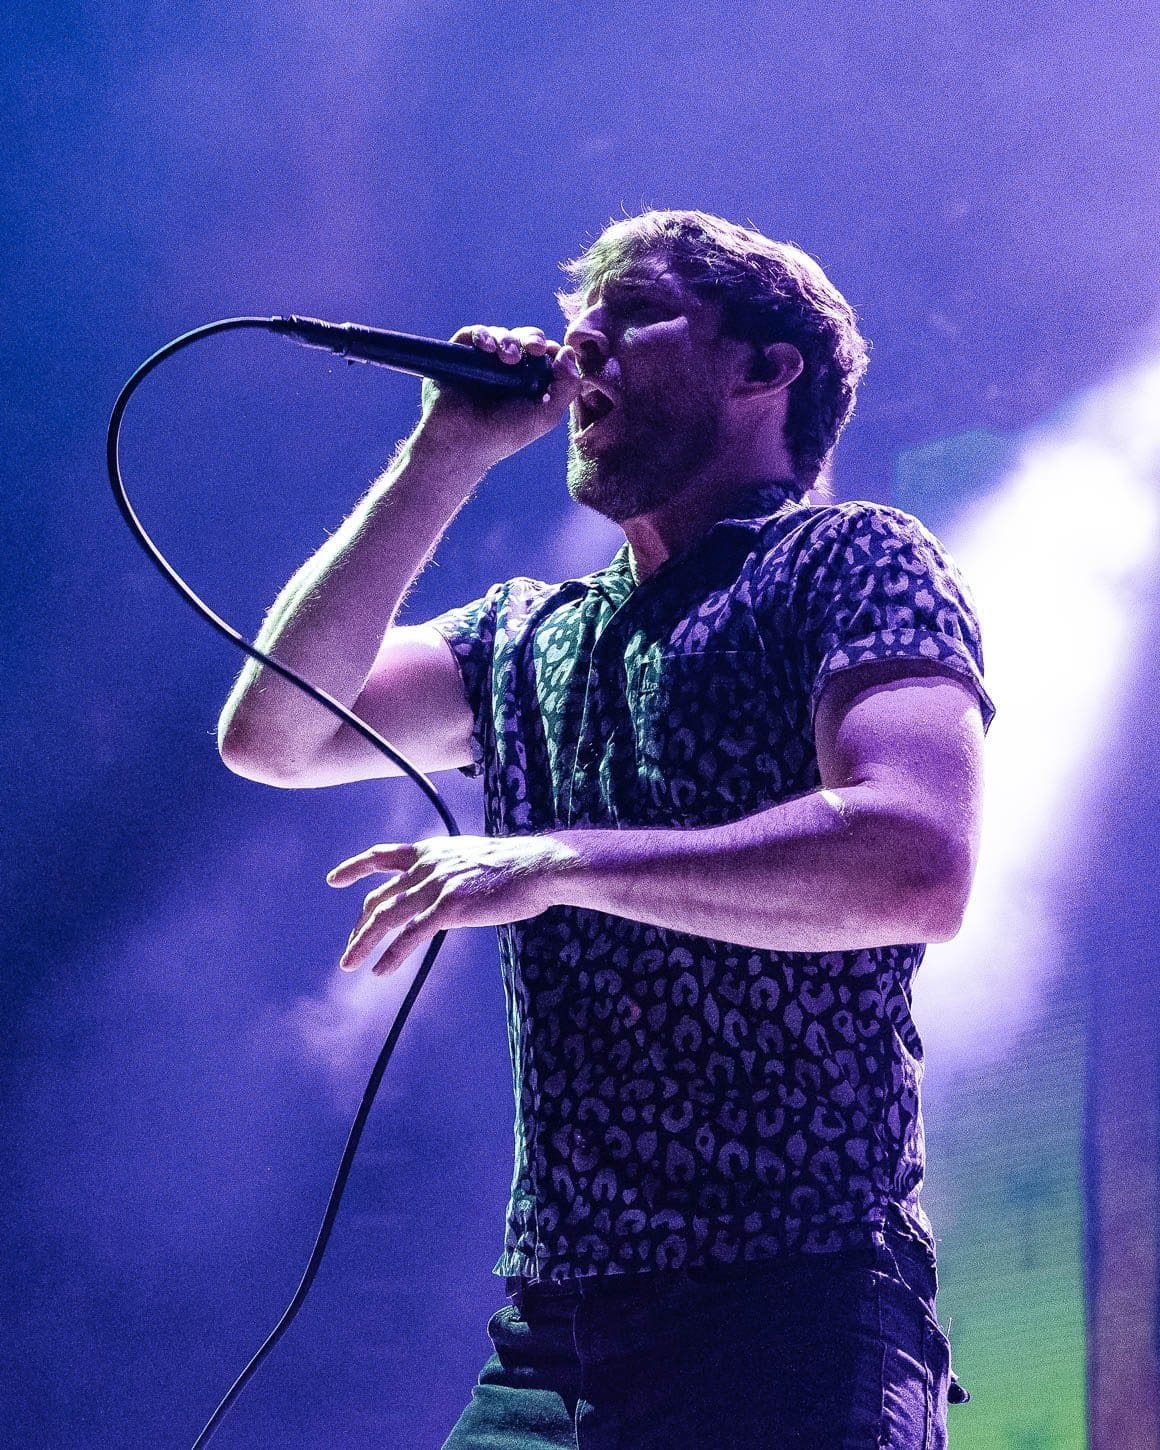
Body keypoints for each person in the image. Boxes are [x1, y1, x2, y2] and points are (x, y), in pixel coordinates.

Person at [218, 210, 993, 1448]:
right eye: (584, 313)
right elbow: (275, 733)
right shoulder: (527, 631)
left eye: (636, 313)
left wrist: (557, 860)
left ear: (761, 368)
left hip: (792, 1299)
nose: (581, 340)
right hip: (555, 1332)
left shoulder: (853, 560)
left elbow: (911, 861)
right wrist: (444, 454)